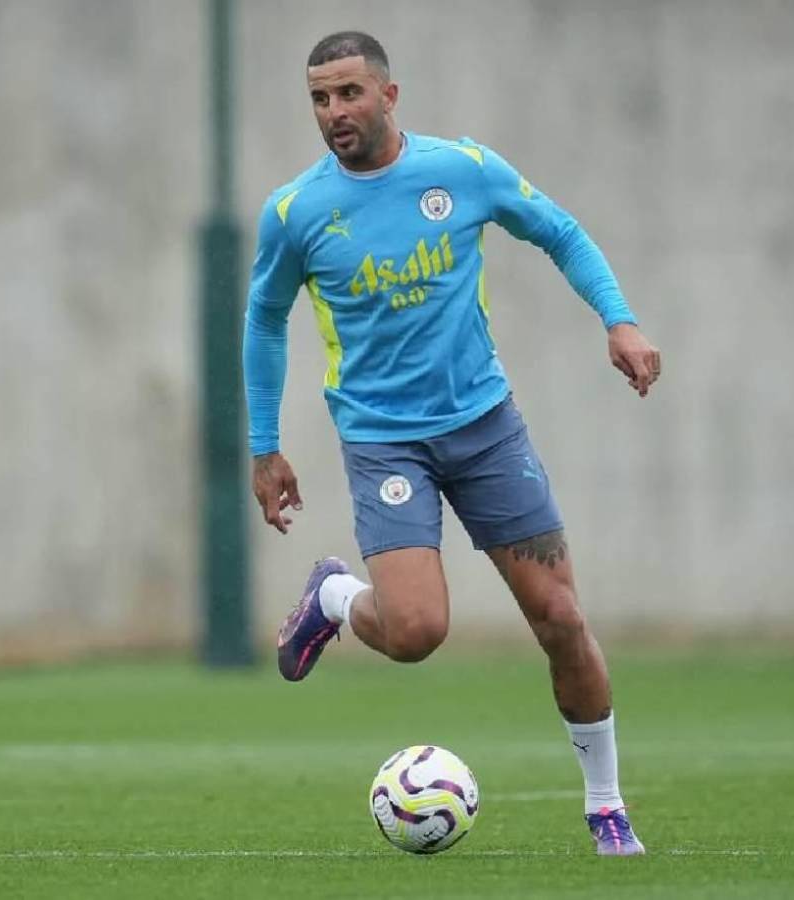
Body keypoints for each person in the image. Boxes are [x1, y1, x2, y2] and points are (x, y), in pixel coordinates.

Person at [243, 30, 660, 857]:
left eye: (350, 94)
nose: (335, 112)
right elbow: (264, 317)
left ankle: (606, 805)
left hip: (485, 429)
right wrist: (266, 445)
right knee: (416, 633)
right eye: (320, 98)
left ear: (389, 96)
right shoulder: (296, 213)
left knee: (562, 619)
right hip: (383, 442)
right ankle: (334, 599)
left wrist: (618, 318)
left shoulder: (461, 171)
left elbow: (561, 231)